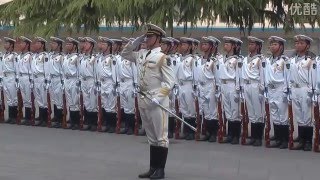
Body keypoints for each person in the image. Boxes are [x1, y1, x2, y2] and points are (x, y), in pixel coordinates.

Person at [121, 23, 175, 179]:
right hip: (143, 99)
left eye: (149, 36)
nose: (146, 39)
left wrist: (158, 98)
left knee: (161, 137)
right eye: (145, 36)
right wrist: (135, 42)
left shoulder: (163, 58)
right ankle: (152, 168)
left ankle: (161, 169)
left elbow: (170, 82)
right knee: (151, 137)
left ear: (158, 38)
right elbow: (125, 54)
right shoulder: (141, 54)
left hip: (157, 101)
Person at [288, 34, 315, 151]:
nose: (298, 45)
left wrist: (311, 92)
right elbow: (289, 76)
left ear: (307, 46)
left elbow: (313, 77)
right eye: (297, 43)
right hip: (295, 88)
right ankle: (301, 139)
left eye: (301, 43)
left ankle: (308, 141)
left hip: (305, 89)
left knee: (307, 116)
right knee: (299, 115)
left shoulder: (311, 60)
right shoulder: (292, 60)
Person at [264, 36, 289, 149]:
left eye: (275, 44)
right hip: (271, 89)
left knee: (282, 115)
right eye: (271, 44)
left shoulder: (284, 60)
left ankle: (284, 139)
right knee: (274, 114)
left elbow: (288, 77)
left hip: (280, 88)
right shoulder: (268, 60)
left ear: (281, 46)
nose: (272, 46)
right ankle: (278, 136)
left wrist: (286, 91)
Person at [241, 36, 265, 146]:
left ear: (258, 46)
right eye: (249, 44)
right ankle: (253, 136)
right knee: (251, 112)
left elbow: (263, 75)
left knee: (258, 113)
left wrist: (262, 89)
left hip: (256, 86)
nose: (250, 46)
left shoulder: (260, 59)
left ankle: (258, 137)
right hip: (247, 85)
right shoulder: (245, 59)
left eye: (252, 44)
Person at [48, 37, 65, 128]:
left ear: (59, 45)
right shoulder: (51, 56)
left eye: (54, 44)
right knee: (54, 98)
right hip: (52, 79)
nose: (52, 45)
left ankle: (60, 119)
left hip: (59, 79)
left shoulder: (61, 57)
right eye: (52, 43)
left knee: (59, 100)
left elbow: (63, 70)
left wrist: (62, 82)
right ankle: (56, 116)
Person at [1, 37, 18, 123]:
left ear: (11, 45)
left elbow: (16, 68)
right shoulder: (4, 56)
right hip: (5, 77)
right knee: (8, 98)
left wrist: (17, 79)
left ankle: (14, 117)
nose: (5, 45)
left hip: (12, 77)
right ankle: (11, 116)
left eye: (7, 43)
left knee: (13, 97)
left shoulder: (14, 55)